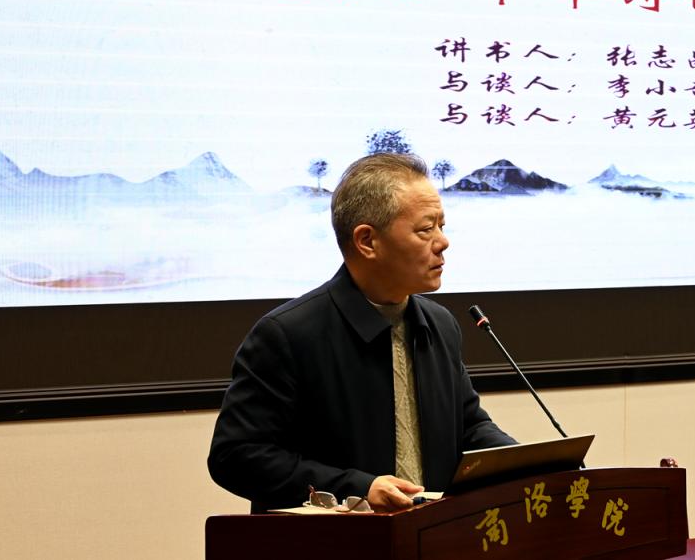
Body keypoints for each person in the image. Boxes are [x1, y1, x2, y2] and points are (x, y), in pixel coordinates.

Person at [208, 153, 515, 512]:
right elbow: (236, 456)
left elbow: (469, 428)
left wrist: (530, 462)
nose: (442, 242)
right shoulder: (287, 335)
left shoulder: (440, 324)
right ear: (367, 241)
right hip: (337, 537)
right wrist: (357, 488)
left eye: (442, 226)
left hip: (429, 533)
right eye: (425, 229)